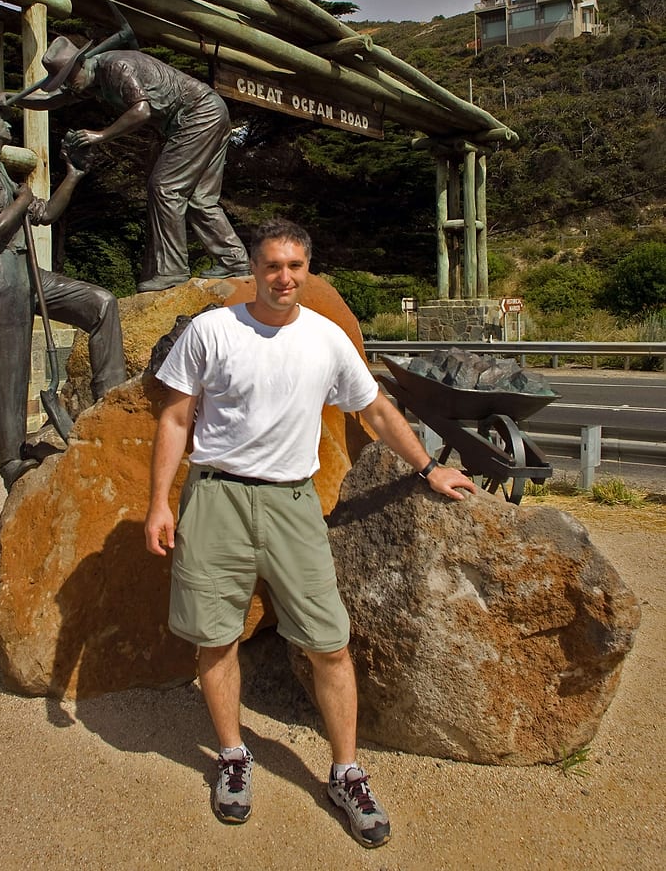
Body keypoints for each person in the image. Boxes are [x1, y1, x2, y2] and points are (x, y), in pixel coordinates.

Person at [144, 218, 476, 848]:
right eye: (273, 265)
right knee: (216, 638)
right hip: (215, 497)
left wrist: (429, 467)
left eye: (295, 266)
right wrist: (160, 502)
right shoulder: (214, 331)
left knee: (329, 642)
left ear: (308, 269)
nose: (284, 277)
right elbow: (176, 417)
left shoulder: (326, 340)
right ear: (254, 269)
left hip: (294, 506)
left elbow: (374, 407)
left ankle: (345, 771)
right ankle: (233, 756)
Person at [0, 94, 126, 492]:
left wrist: (74, 175)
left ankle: (111, 405)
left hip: (26, 272)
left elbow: (45, 215)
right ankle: (11, 460)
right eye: (1, 119)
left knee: (101, 304)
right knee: (7, 371)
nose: (9, 124)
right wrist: (22, 199)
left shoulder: (0, 171)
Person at [12, 36, 250, 293]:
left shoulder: (116, 67)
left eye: (69, 79)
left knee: (165, 187)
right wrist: (15, 99)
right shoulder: (93, 79)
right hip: (210, 112)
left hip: (198, 114)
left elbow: (141, 111)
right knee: (201, 198)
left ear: (80, 64)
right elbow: (57, 99)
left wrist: (100, 134)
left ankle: (172, 271)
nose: (71, 87)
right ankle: (234, 261)